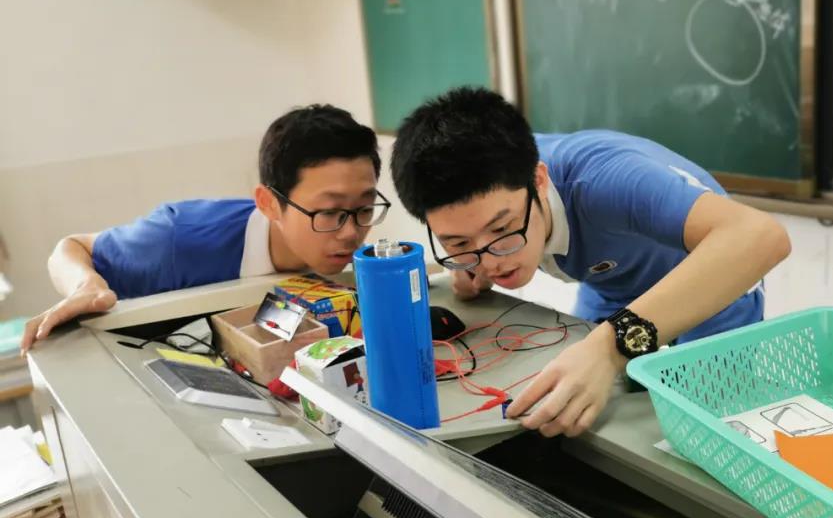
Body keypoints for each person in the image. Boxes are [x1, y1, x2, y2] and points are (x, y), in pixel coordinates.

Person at [390, 87, 791, 438]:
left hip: (711, 282)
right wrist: (466, 262)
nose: (491, 259)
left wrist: (610, 347)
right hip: (613, 283)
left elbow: (760, 237)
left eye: (502, 229)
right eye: (458, 241)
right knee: (576, 403)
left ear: (539, 181)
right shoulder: (486, 185)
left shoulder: (607, 180)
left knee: (702, 431)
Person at [21, 104, 388, 352]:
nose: (350, 233)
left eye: (364, 208)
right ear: (268, 203)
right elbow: (72, 247)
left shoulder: (360, 267)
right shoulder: (178, 239)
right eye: (329, 212)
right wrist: (86, 286)